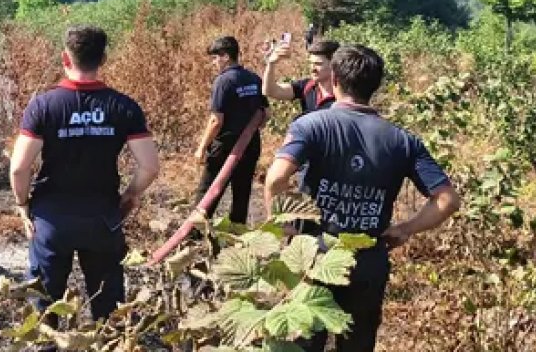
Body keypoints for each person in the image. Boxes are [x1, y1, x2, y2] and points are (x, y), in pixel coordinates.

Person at [262, 44, 461, 351]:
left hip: (315, 254)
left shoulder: (311, 125)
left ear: (335, 80)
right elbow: (448, 200)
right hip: (367, 259)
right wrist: (406, 229)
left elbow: (276, 178)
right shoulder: (403, 141)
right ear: (374, 87)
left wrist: (279, 222)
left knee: (305, 342)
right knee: (358, 343)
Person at [9, 26, 161, 322]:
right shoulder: (124, 107)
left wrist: (23, 205)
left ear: (65, 59)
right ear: (103, 59)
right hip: (102, 218)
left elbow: (19, 167)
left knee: (44, 308)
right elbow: (150, 167)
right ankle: (108, 339)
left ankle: (46, 341)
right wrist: (130, 195)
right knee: (109, 311)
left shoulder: (43, 106)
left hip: (51, 221)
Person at [191, 36, 268, 226]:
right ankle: (237, 231)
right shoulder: (254, 78)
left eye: (215, 58)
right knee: (242, 193)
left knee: (209, 191)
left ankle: (195, 231)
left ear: (225, 57)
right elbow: (266, 114)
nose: (214, 63)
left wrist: (201, 147)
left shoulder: (223, 81)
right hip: (250, 145)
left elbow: (216, 121)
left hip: (225, 147)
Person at [262, 38, 340, 117]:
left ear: (334, 65)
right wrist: (271, 63)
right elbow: (270, 91)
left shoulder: (344, 94)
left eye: (318, 64)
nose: (312, 69)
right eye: (311, 63)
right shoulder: (307, 86)